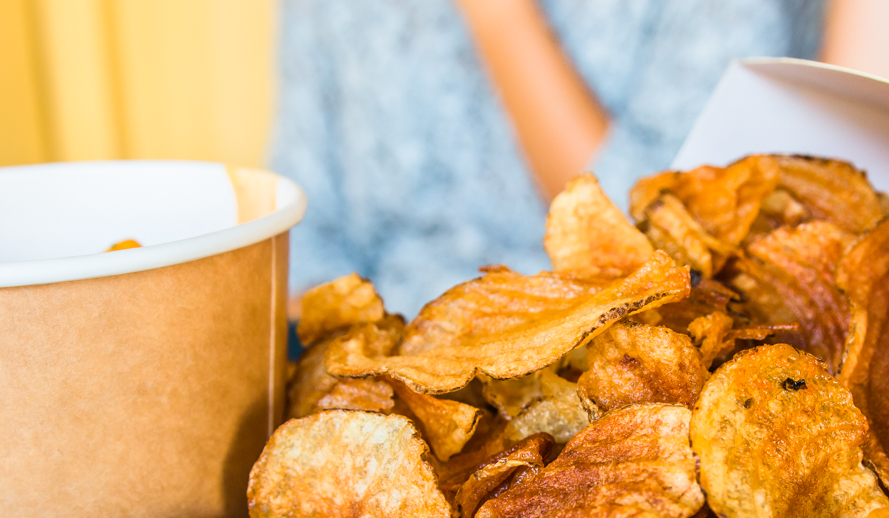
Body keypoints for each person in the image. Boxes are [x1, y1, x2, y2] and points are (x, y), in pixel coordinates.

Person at [273, 0, 827, 318]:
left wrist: (501, 19)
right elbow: (304, 237)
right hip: (385, 375)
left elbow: (666, 243)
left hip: (607, 376)